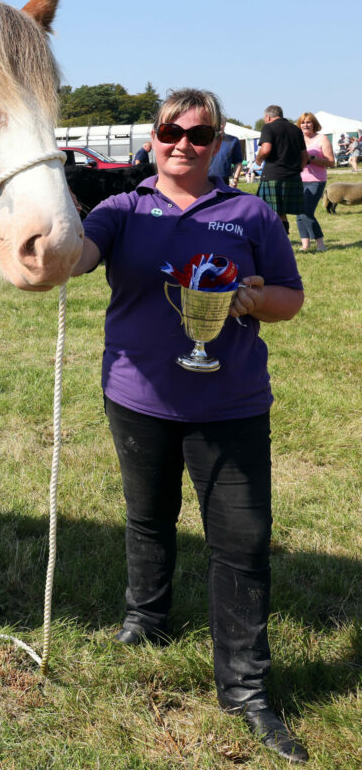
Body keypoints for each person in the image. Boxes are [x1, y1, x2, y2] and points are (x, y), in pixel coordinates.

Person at [71, 88, 308, 764]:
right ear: (153, 138)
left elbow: (290, 297)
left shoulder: (250, 212)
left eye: (199, 136)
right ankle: (146, 620)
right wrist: (50, 248)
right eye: (170, 131)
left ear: (218, 146)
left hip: (230, 403)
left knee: (242, 541)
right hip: (136, 396)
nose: (182, 144)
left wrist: (256, 299)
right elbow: (80, 257)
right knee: (147, 516)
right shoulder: (122, 208)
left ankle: (246, 687)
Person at [255, 105, 308, 234]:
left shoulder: (268, 127)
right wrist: (298, 170)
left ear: (268, 116)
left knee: (269, 211)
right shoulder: (296, 129)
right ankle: (283, 240)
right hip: (293, 176)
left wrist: (258, 159)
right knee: (281, 213)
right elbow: (305, 156)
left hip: (273, 175)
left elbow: (266, 149)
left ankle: (277, 241)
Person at [296, 113, 333, 252]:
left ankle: (320, 244)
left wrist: (310, 158)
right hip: (298, 180)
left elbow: (331, 162)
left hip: (316, 181)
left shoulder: (322, 139)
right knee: (299, 213)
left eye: (308, 122)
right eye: (303, 122)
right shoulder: (297, 139)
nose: (305, 125)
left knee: (306, 212)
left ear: (314, 124)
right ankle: (305, 245)